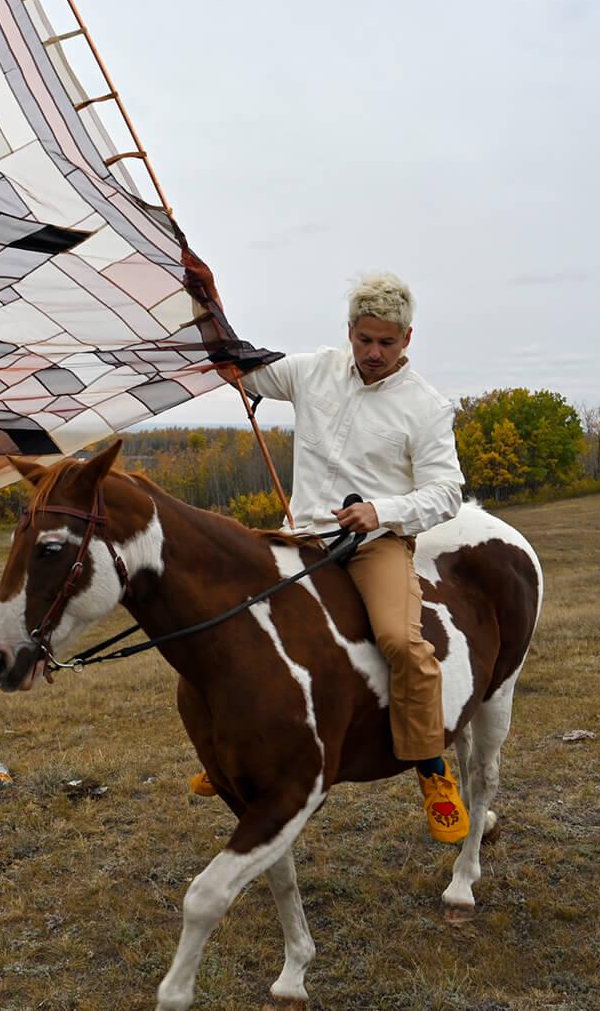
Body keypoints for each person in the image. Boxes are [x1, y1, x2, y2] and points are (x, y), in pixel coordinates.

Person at [194, 271, 470, 842]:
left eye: (387, 343)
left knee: (399, 639)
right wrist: (202, 305)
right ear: (350, 331)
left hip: (376, 544)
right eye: (364, 339)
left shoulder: (426, 407)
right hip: (303, 538)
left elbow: (446, 492)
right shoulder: (314, 369)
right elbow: (248, 368)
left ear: (408, 339)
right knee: (232, 623)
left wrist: (382, 511)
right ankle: (231, 753)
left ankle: (431, 768)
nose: (373, 353)